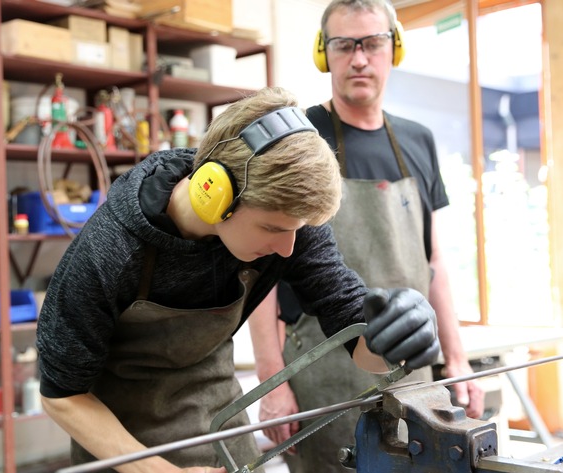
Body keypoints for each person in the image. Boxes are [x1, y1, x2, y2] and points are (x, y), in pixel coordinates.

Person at [35, 86, 441, 473]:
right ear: (215, 196)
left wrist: (393, 335)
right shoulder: (109, 251)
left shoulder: (291, 225)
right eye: (271, 228)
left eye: (295, 231)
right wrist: (156, 468)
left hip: (222, 425)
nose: (287, 249)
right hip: (121, 443)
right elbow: (61, 395)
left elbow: (351, 327)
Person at [247, 2, 486, 472]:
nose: (359, 59)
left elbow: (433, 260)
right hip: (320, 373)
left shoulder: (418, 141)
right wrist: (271, 382)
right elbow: (260, 272)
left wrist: (456, 361)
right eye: (344, 44)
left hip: (411, 369)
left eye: (373, 43)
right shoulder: (299, 139)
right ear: (325, 53)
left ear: (393, 48)